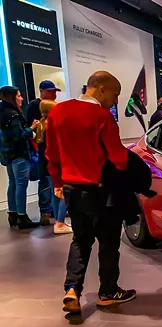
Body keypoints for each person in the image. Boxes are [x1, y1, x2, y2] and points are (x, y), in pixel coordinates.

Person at [46, 71, 136, 313]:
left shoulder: (58, 112)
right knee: (108, 243)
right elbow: (119, 159)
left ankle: (72, 289)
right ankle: (107, 292)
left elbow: (51, 154)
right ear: (102, 89)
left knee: (80, 240)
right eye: (115, 94)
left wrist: (57, 182)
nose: (116, 101)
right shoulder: (102, 117)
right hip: (101, 191)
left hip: (72, 189)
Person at [0, 86, 39, 229]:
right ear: (11, 97)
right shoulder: (13, 115)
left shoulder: (2, 113)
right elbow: (19, 136)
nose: (21, 98)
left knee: (13, 183)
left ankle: (13, 214)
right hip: (18, 154)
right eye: (18, 95)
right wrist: (32, 128)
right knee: (21, 185)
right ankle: (22, 217)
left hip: (7, 155)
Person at [26, 81, 61, 225]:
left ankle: (54, 210)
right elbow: (31, 129)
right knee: (46, 183)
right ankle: (46, 212)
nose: (54, 94)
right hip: (43, 153)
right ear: (42, 91)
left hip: (47, 153)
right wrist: (36, 147)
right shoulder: (34, 106)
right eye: (51, 91)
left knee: (52, 183)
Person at [36, 100, 71, 234]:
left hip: (45, 165)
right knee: (63, 193)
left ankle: (58, 219)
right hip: (55, 165)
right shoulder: (52, 125)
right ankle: (60, 222)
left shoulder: (40, 125)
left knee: (55, 192)